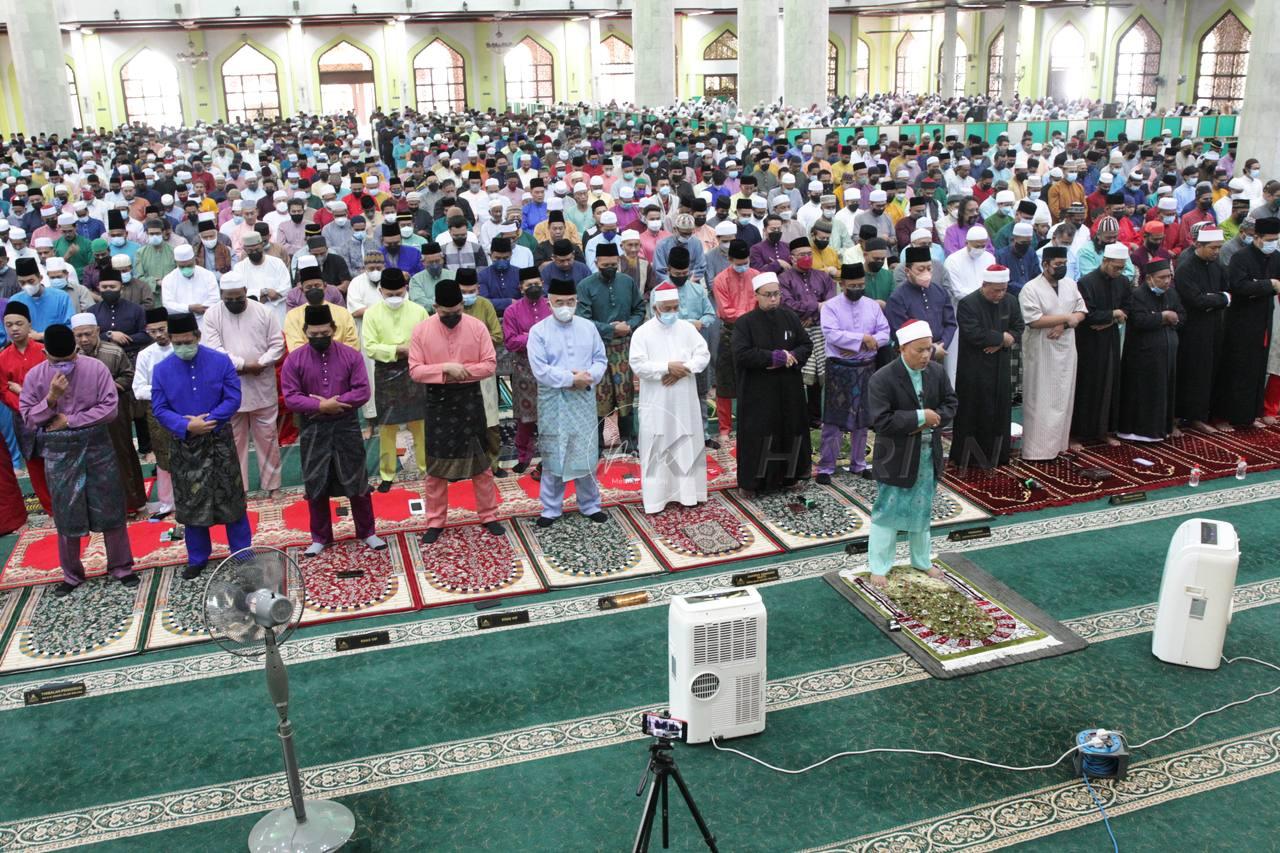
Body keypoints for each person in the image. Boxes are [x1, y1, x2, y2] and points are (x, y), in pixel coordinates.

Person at [19, 323, 139, 595]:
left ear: (76, 350)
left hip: (97, 447)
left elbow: (109, 410)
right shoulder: (36, 376)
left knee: (111, 508)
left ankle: (121, 567)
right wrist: (50, 399)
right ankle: (72, 575)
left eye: (69, 359)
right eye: (57, 361)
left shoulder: (95, 369)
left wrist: (70, 420)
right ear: (46, 354)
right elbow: (28, 418)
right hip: (59, 454)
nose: (64, 365)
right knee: (66, 513)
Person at [151, 312, 253, 579]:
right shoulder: (161, 370)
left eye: (188, 341)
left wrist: (210, 419)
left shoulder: (221, 362)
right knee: (190, 501)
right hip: (185, 445)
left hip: (218, 439)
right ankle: (197, 558)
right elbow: (159, 408)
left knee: (230, 496)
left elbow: (233, 397)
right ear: (171, 341)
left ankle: (242, 552)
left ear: (197, 337)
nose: (184, 346)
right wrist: (186, 426)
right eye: (178, 342)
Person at [281, 303, 387, 557]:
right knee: (316, 483)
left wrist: (333, 404)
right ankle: (320, 537)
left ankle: (367, 532)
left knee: (357, 480)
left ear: (333, 329)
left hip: (346, 426)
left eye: (324, 333)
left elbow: (362, 391)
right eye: (314, 335)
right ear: (305, 331)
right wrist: (320, 405)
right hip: (313, 428)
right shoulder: (294, 360)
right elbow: (291, 397)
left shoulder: (351, 356)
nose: (320, 338)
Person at [408, 279, 505, 542]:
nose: (451, 317)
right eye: (445, 313)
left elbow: (489, 365)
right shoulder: (421, 331)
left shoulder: (477, 327)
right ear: (435, 306)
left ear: (462, 305)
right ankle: (436, 521)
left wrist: (461, 371)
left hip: (469, 400)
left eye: (456, 312)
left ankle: (489, 515)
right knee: (436, 467)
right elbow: (415, 370)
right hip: (437, 402)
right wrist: (444, 369)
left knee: (481, 463)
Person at [864, 319, 957, 587]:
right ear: (902, 348)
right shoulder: (882, 378)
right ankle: (879, 566)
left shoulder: (937, 373)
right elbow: (880, 422)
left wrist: (935, 418)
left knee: (923, 509)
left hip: (928, 454)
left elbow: (951, 402)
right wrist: (919, 417)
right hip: (897, 455)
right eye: (920, 350)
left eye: (929, 349)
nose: (926, 355)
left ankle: (922, 560)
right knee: (888, 511)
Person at [527, 276, 609, 526]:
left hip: (583, 398)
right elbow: (540, 370)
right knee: (555, 452)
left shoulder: (588, 327)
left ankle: (590, 504)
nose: (565, 306)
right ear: (548, 302)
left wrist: (588, 377)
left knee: (584, 451)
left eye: (570, 301)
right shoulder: (538, 331)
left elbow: (600, 359)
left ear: (577, 301)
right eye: (559, 301)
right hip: (554, 400)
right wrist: (571, 379)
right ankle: (550, 509)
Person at [629, 282, 711, 513]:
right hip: (657, 399)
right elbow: (638, 365)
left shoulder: (686, 328)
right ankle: (657, 499)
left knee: (687, 441)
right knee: (658, 443)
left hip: (684, 398)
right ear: (656, 308)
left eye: (675, 307)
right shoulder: (642, 333)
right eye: (667, 308)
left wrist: (682, 369)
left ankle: (690, 494)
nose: (671, 312)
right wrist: (666, 368)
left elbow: (703, 355)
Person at [201, 271, 285, 495]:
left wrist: (261, 362)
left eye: (238, 298)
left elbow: (277, 345)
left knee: (267, 438)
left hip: (261, 384)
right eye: (228, 299)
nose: (233, 302)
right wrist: (242, 365)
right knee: (234, 441)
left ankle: (273, 486)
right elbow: (213, 350)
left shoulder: (264, 312)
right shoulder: (212, 315)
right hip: (229, 388)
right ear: (221, 295)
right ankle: (240, 490)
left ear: (246, 292)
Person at [732, 271, 812, 493]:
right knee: (761, 435)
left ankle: (790, 478)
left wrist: (792, 356)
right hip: (759, 392)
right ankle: (755, 483)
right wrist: (772, 358)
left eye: (776, 294)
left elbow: (806, 344)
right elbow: (741, 354)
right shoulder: (744, 323)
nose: (773, 299)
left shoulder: (790, 318)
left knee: (790, 430)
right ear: (756, 295)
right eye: (768, 295)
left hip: (789, 389)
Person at [816, 263, 889, 483]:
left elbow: (885, 331)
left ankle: (858, 464)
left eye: (861, 284)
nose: (858, 288)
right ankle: (826, 467)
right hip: (840, 369)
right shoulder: (830, 307)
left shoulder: (872, 306)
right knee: (834, 420)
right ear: (842, 284)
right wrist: (861, 339)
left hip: (866, 367)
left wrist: (870, 342)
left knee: (863, 418)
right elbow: (832, 334)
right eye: (853, 285)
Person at [70, 313, 148, 513]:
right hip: (84, 412)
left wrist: (110, 386)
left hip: (114, 408)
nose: (84, 339)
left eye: (88, 334)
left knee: (121, 452)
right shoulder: (71, 355)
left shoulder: (113, 351)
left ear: (97, 331)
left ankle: (131, 503)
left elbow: (129, 376)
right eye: (79, 336)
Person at [950, 265, 1025, 469]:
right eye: (995, 290)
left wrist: (1001, 342)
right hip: (974, 368)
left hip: (1000, 367)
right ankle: (968, 458)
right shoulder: (968, 303)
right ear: (984, 285)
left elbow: (1019, 327)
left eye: (1003, 289)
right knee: (973, 411)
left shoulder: (1010, 301)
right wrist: (1002, 338)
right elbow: (973, 333)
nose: (1000, 294)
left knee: (999, 410)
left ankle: (998, 455)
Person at [361, 267, 429, 491]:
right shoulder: (371, 314)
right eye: (389, 294)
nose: (394, 298)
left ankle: (425, 468)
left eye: (398, 293)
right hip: (385, 373)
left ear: (406, 289)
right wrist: (398, 349)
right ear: (381, 292)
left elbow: (427, 341)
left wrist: (411, 352)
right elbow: (370, 347)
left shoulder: (419, 311)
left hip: (414, 370)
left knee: (419, 423)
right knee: (387, 426)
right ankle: (387, 474)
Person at [1019, 246, 1087, 461]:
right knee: (1041, 397)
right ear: (1045, 264)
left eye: (1064, 264)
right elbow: (1034, 320)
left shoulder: (1070, 284)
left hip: (1066, 348)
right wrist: (1066, 319)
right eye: (1057, 265)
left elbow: (1081, 311)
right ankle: (1036, 451)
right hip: (1041, 349)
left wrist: (1066, 324)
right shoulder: (1030, 288)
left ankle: (1058, 446)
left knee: (1063, 396)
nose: (1061, 268)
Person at [575, 242, 644, 454]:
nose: (610, 268)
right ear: (596, 263)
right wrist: (610, 329)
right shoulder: (585, 285)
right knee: (600, 396)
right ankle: (596, 446)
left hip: (623, 347)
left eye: (613, 264)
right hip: (598, 350)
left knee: (626, 395)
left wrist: (629, 326)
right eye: (605, 265)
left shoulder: (627, 282)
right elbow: (582, 318)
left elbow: (639, 309)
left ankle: (629, 442)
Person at [1216, 220, 1280, 428]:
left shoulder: (1276, 257)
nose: (1273, 244)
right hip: (1242, 321)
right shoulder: (1241, 257)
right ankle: (1228, 415)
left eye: (1276, 240)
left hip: (1265, 319)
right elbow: (1238, 286)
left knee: (1258, 368)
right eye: (1270, 240)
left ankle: (1250, 415)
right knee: (1238, 368)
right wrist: (1267, 285)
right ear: (1257, 237)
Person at [1117, 260, 1186, 442]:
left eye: (1169, 277)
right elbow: (1139, 320)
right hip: (1143, 355)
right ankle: (1140, 431)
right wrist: (1163, 317)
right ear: (1149, 278)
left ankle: (1162, 428)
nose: (1166, 281)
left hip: (1167, 355)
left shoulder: (1172, 293)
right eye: (1161, 278)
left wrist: (1173, 318)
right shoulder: (1138, 295)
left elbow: (1182, 316)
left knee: (1164, 392)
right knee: (1144, 392)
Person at [1071, 242, 1131, 448]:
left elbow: (1127, 308)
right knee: (1087, 385)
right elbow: (1088, 315)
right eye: (1116, 267)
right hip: (1089, 343)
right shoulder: (1086, 282)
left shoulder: (1122, 282)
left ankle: (1102, 430)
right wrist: (1112, 315)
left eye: (1122, 268)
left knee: (1109, 384)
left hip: (1111, 339)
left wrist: (1110, 319)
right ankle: (1078, 433)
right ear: (1104, 261)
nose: (1119, 271)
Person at [1174, 227, 1231, 433]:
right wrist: (1219, 299)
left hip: (1215, 325)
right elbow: (1196, 300)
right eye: (1213, 248)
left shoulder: (1217, 265)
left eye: (1219, 248)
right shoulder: (1186, 268)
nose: (1216, 252)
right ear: (1199, 245)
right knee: (1195, 371)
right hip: (1194, 328)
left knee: (1212, 369)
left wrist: (1214, 299)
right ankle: (1190, 415)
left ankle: (1204, 413)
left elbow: (1227, 292)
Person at [0, 302, 52, 513]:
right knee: (34, 462)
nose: (14, 329)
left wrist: (25, 395)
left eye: (19, 323)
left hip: (50, 413)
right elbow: (4, 391)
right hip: (23, 419)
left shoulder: (44, 351)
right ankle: (51, 509)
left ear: (29, 324)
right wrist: (26, 406)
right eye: (9, 324)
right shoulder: (2, 358)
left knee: (57, 460)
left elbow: (52, 382)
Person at [779, 236, 836, 426]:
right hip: (795, 333)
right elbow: (787, 305)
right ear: (792, 258)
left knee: (818, 379)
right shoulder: (783, 279)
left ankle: (815, 416)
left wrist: (811, 316)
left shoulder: (823, 277)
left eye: (809, 254)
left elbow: (830, 304)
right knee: (797, 375)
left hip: (819, 331)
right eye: (802, 255)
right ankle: (797, 416)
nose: (806, 258)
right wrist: (816, 307)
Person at [503, 267, 551, 474]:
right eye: (529, 285)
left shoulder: (551, 306)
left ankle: (550, 457)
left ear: (542, 283)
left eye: (537, 284)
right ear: (521, 287)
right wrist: (538, 337)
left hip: (551, 368)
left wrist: (527, 335)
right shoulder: (511, 311)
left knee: (550, 415)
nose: (533, 288)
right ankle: (524, 457)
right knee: (526, 417)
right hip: (524, 371)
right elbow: (511, 342)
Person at [132, 307, 176, 519]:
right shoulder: (145, 355)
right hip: (158, 411)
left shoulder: (182, 347)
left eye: (162, 329)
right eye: (153, 331)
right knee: (164, 457)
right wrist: (166, 390)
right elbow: (138, 389)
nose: (159, 335)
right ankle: (168, 502)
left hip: (186, 408)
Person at [711, 239, 757, 440]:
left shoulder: (757, 277)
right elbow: (725, 311)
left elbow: (762, 302)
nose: (742, 265)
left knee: (753, 380)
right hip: (730, 333)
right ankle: (724, 428)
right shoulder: (720, 280)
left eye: (745, 261)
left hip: (755, 335)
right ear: (729, 259)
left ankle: (750, 423)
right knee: (725, 382)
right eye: (738, 262)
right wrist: (750, 316)